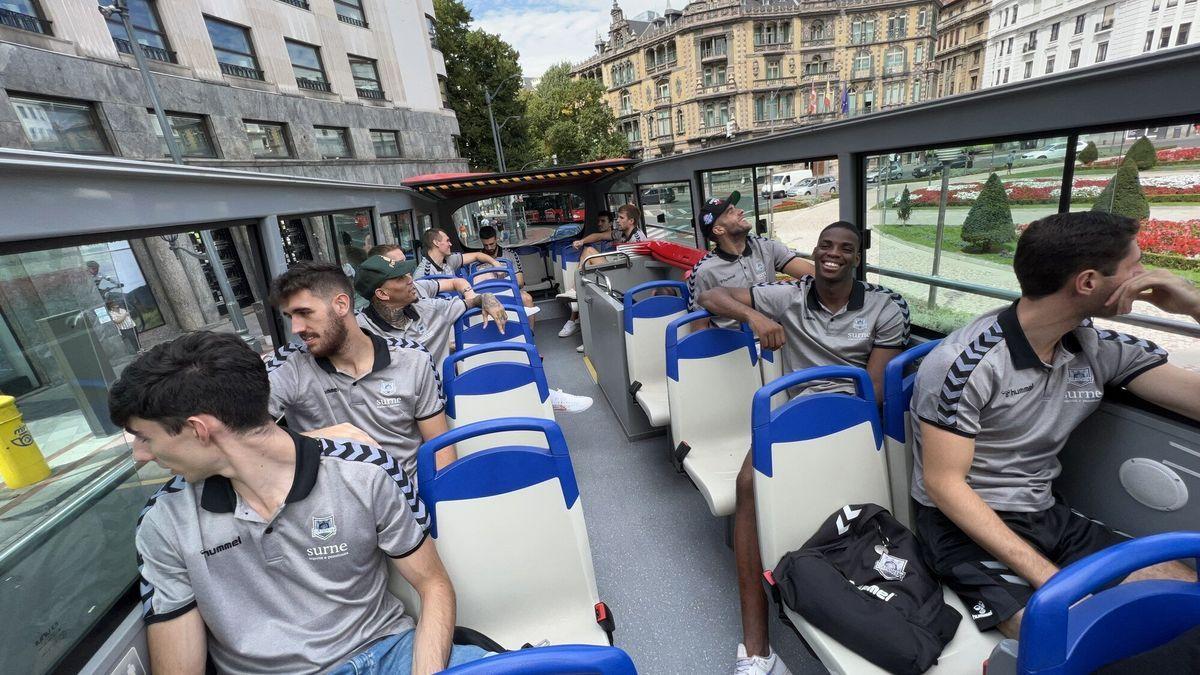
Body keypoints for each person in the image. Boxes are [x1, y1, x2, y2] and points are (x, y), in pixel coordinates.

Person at [110, 331, 488, 674]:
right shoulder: (166, 522)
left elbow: (433, 584)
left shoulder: (365, 472)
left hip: (389, 653)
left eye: (145, 437)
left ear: (198, 429)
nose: (141, 455)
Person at [910, 211, 1200, 640]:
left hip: (1045, 512)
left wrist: (1194, 306)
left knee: (1182, 590)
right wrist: (1055, 582)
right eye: (1134, 266)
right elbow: (944, 486)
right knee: (1065, 632)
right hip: (962, 525)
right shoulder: (965, 364)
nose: (1146, 274)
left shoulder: (1098, 348)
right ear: (1087, 283)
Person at [699, 221, 911, 675]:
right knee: (747, 485)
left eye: (845, 248)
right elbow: (711, 297)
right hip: (796, 412)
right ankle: (757, 649)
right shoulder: (788, 295)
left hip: (850, 417)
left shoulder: (883, 308)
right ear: (814, 252)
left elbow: (872, 390)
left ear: (857, 257)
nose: (832, 254)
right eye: (825, 246)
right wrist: (756, 317)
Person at [265, 261, 456, 478]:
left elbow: (440, 447)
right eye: (291, 317)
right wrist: (318, 438)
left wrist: (437, 504)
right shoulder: (289, 366)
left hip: (408, 499)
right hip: (334, 505)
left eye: (304, 313)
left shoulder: (413, 359)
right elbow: (236, 435)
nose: (296, 328)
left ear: (341, 305)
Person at [355, 255, 594, 415]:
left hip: (444, 398)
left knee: (491, 352)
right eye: (401, 278)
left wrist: (485, 298)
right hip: (396, 410)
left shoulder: (429, 309)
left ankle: (541, 394)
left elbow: (469, 302)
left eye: (408, 275)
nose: (411, 281)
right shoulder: (359, 332)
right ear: (382, 294)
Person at [688, 191, 815, 329]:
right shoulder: (703, 271)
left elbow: (812, 275)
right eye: (730, 211)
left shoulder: (766, 247)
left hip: (775, 338)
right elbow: (699, 327)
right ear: (718, 230)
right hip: (732, 345)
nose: (741, 211)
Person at [556, 211, 614, 338]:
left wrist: (582, 243)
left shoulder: (619, 235)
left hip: (613, 273)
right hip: (599, 273)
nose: (599, 224)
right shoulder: (606, 238)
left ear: (611, 223)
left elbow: (598, 237)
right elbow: (597, 236)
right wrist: (582, 241)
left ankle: (574, 315)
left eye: (603, 221)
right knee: (584, 283)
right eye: (598, 221)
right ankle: (579, 326)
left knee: (588, 251)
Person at [367, 243, 479, 301]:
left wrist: (470, 296)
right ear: (381, 293)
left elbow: (456, 282)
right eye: (400, 274)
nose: (410, 278)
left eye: (407, 268)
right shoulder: (371, 329)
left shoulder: (418, 287)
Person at [477, 225, 538, 322]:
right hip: (488, 295)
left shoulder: (510, 255)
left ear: (496, 239)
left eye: (492, 244)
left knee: (527, 299)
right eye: (485, 245)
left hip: (509, 291)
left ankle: (530, 332)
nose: (489, 248)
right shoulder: (477, 259)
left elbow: (520, 282)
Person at [415, 228, 499, 280]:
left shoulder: (449, 260)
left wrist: (495, 263)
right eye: (447, 241)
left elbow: (477, 255)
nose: (450, 244)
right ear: (436, 243)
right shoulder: (423, 274)